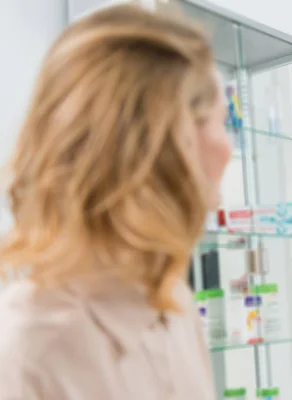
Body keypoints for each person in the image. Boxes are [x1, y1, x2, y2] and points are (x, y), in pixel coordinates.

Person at [0, 4, 230, 399]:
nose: (226, 148)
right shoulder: (29, 351)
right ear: (150, 145)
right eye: (213, 121)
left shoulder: (175, 305)